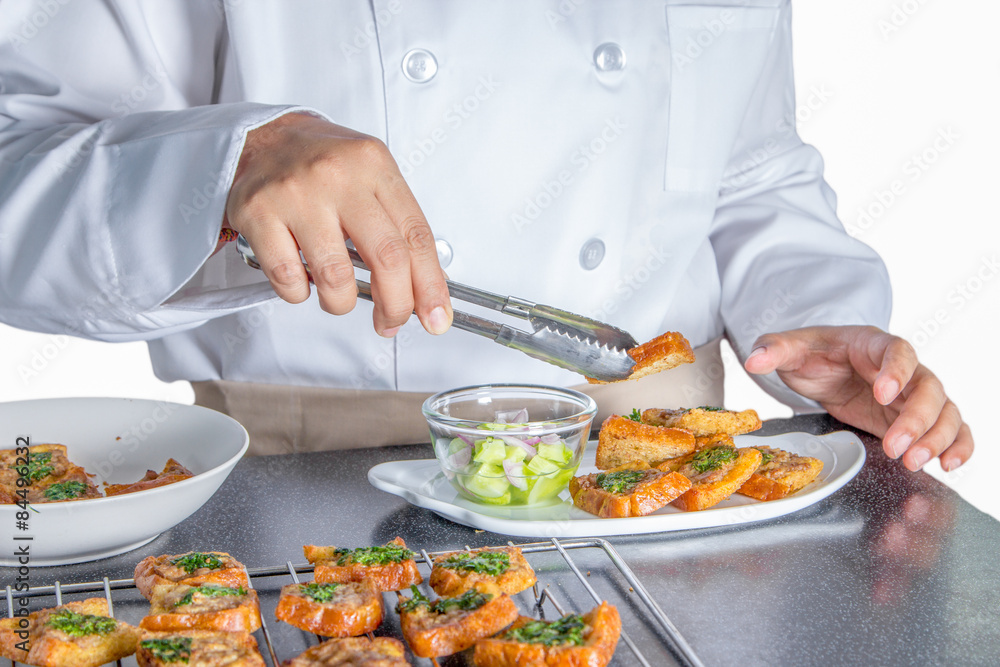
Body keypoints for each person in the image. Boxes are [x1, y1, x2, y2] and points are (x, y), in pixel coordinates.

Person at [0, 1, 972, 468]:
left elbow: (749, 162)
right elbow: (18, 163)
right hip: (306, 471)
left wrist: (818, 322)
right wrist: (227, 161)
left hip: (671, 467)